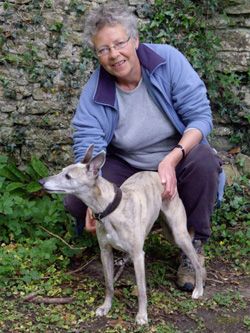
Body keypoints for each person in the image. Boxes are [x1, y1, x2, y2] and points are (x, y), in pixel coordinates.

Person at [64, 1, 224, 292]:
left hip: (176, 154)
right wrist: (91, 194)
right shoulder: (96, 89)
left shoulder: (168, 61)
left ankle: (193, 243)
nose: (114, 55)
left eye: (120, 43)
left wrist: (172, 159)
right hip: (127, 163)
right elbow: (88, 140)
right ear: (97, 54)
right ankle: (120, 239)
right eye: (103, 49)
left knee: (204, 162)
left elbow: (200, 116)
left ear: (135, 40)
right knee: (76, 198)